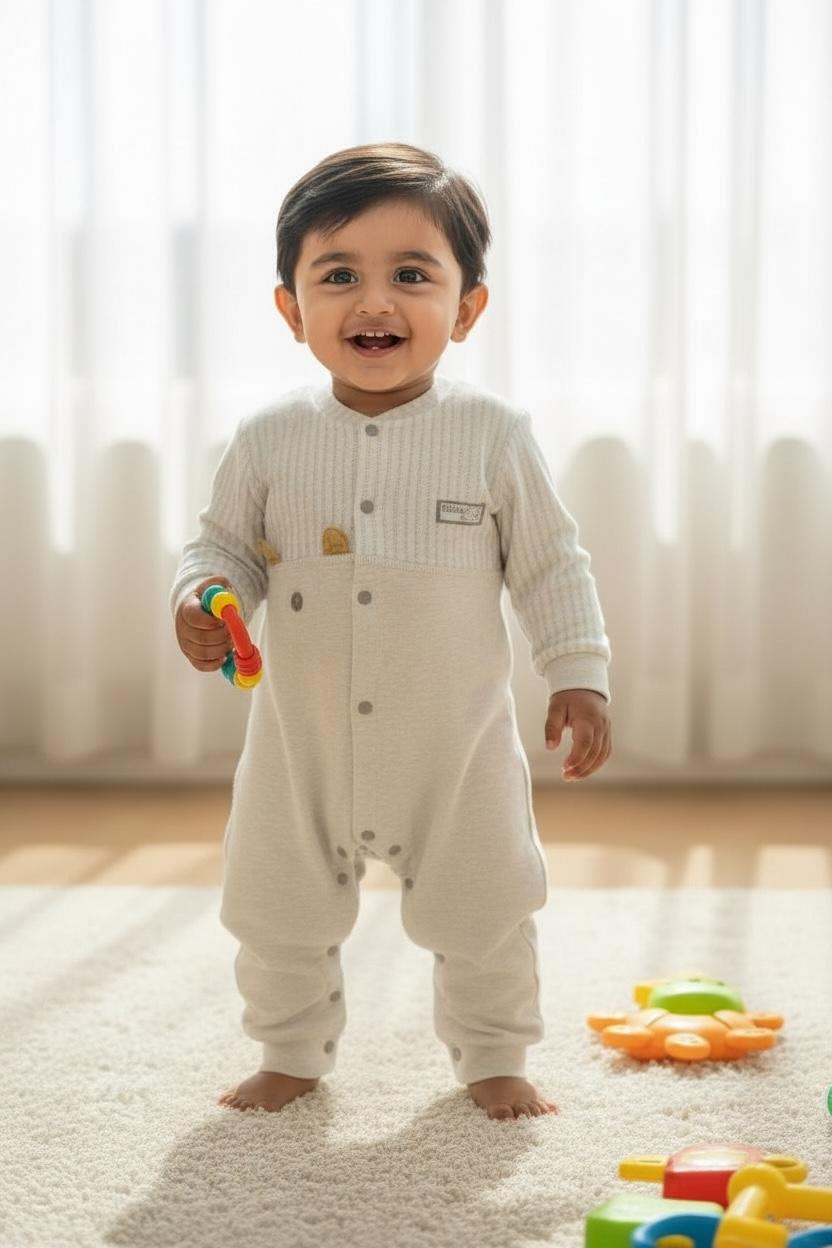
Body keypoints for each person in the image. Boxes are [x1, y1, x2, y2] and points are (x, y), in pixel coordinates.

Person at [171, 142, 612, 1121]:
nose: (375, 301)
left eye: (411, 274)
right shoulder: (269, 439)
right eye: (338, 276)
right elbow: (222, 548)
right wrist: (203, 599)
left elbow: (552, 564)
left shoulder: (492, 435)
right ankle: (289, 1049)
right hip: (302, 744)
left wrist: (578, 672)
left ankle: (494, 1053)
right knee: (275, 901)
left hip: (454, 747)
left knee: (488, 901)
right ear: (291, 309)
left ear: (467, 307)